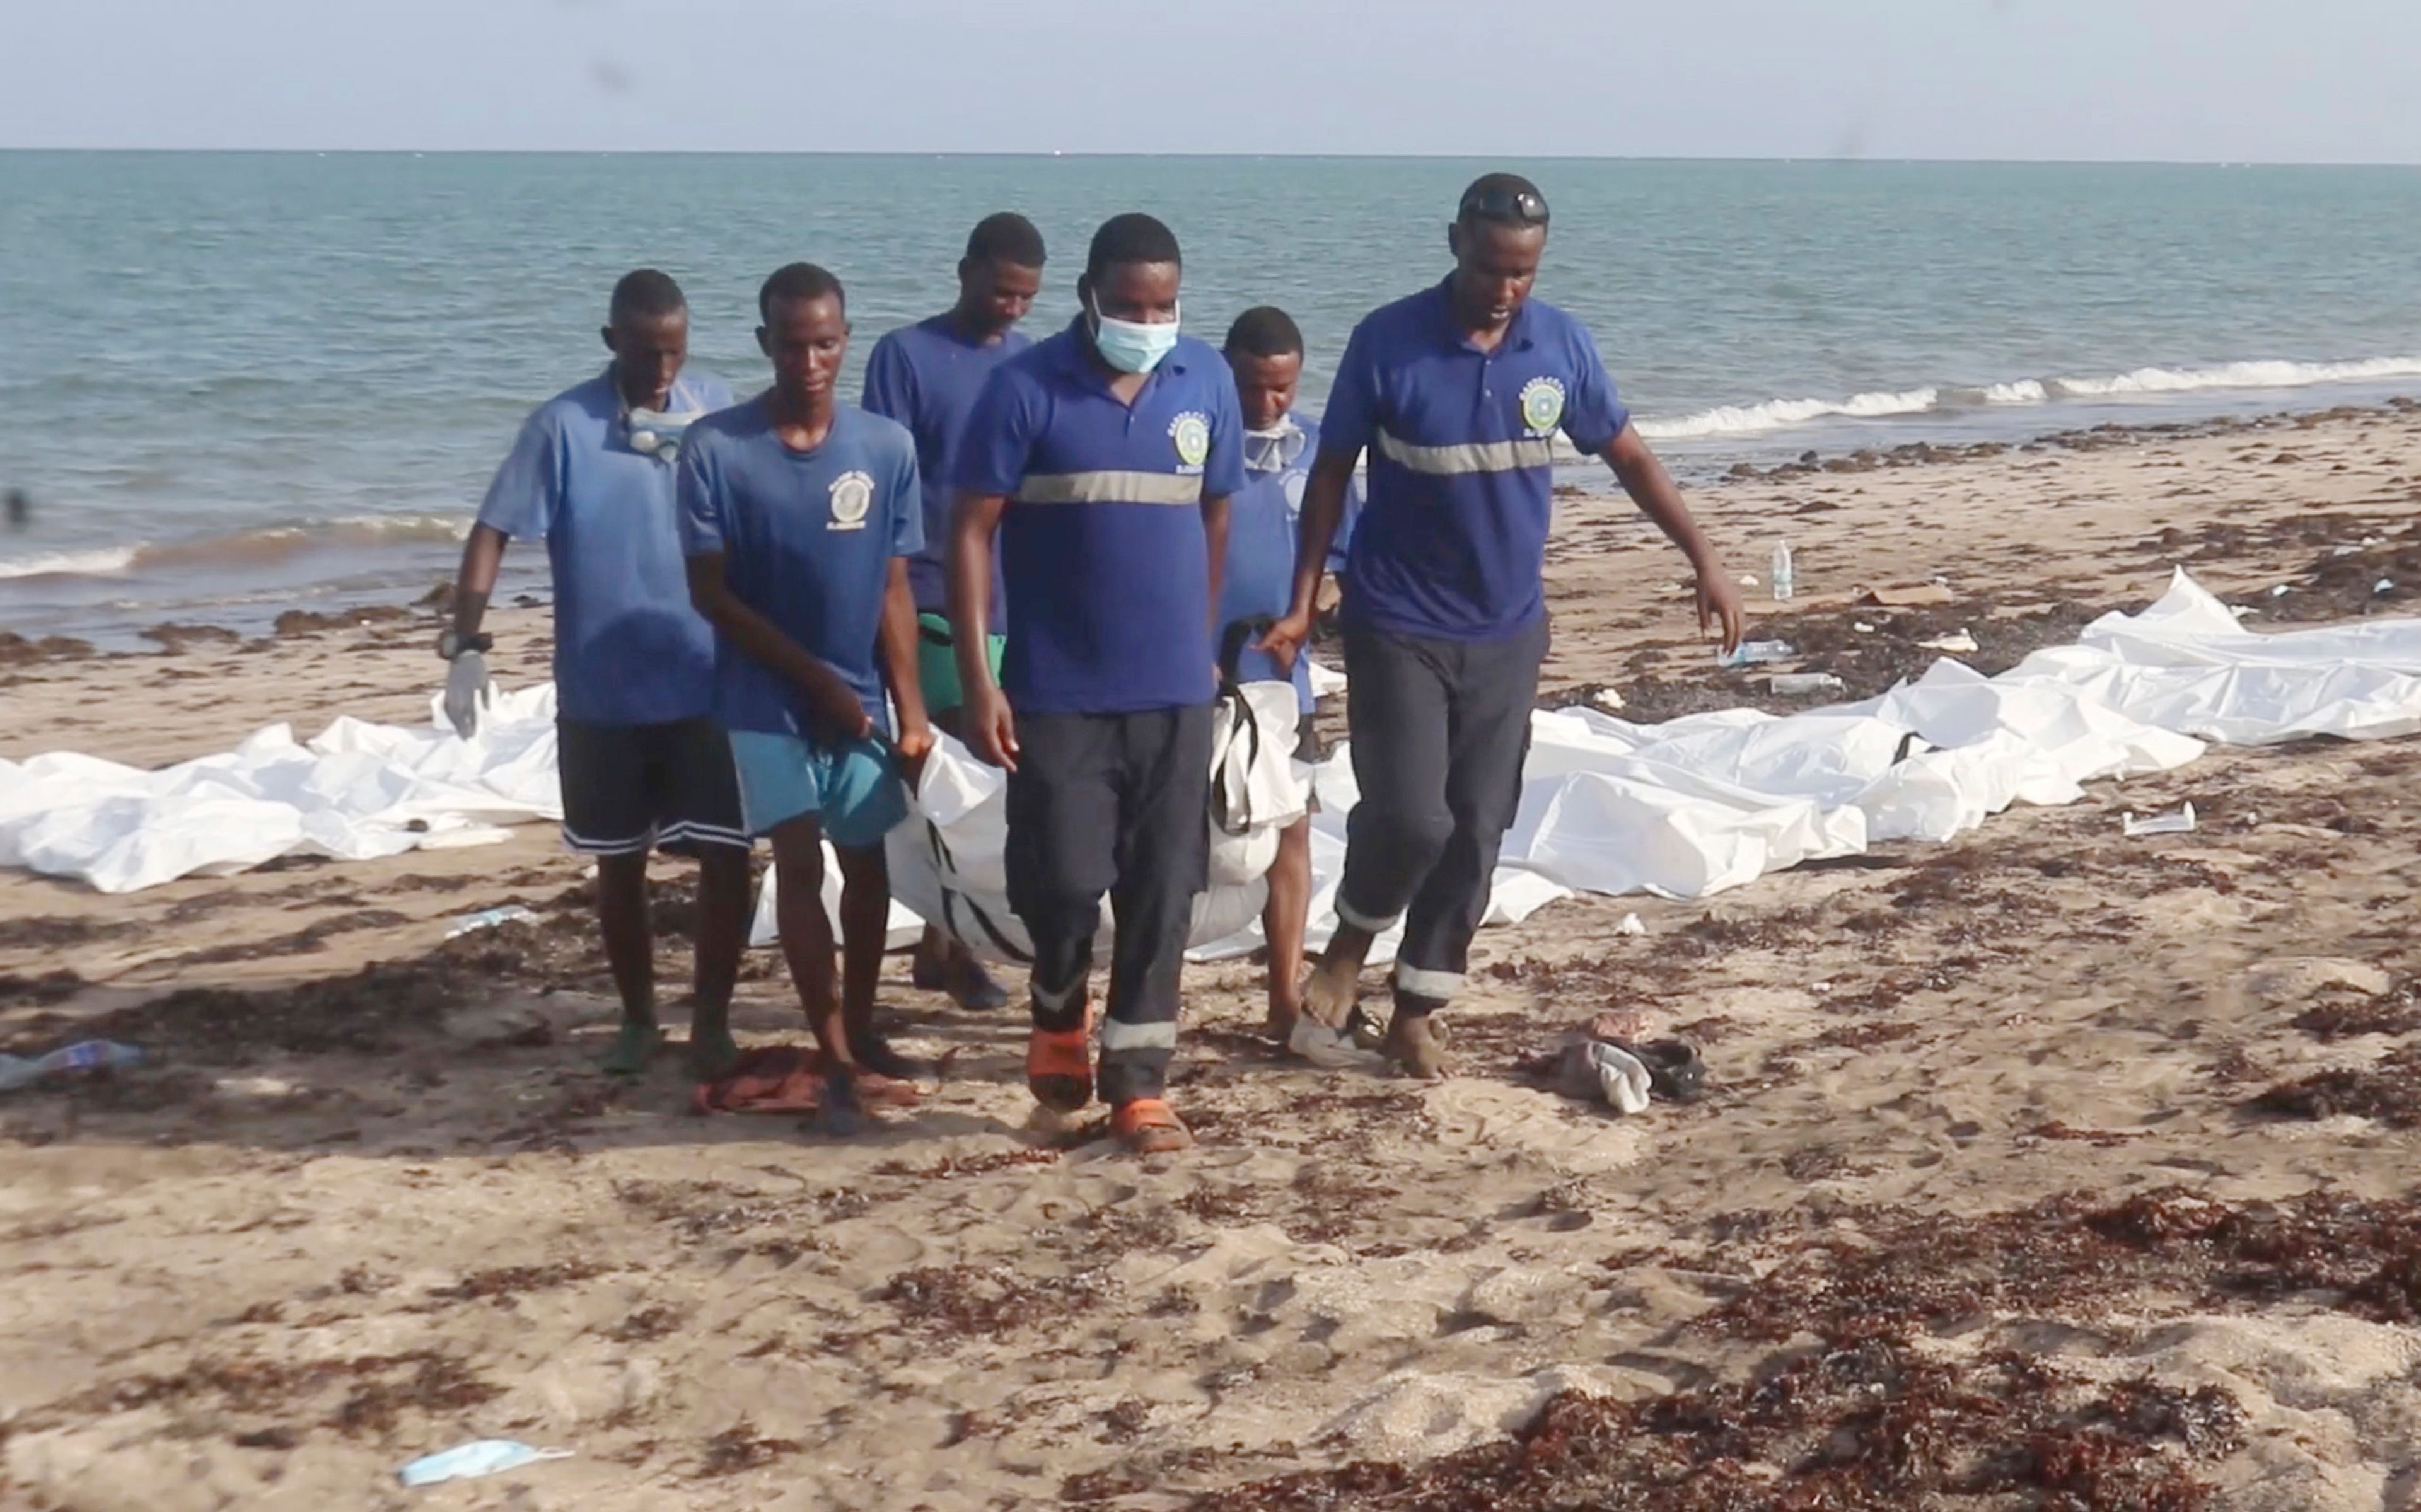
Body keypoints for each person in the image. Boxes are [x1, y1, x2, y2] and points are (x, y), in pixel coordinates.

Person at [1261, 172, 1745, 1078]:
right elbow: (1327, 476)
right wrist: (1301, 598)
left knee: (1478, 825)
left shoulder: (1560, 347)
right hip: (1396, 618)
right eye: (1490, 266)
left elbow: (1628, 454)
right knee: (1411, 815)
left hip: (1505, 629)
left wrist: (1703, 557)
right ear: (1456, 243)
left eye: (1522, 272)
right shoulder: (1386, 342)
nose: (1504, 287)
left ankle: (1417, 1007)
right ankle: (1350, 940)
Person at [948, 212, 1241, 1155]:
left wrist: (1200, 640)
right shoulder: (1023, 389)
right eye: (1128, 306)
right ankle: (1057, 1004)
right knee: (1066, 880)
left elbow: (1217, 512)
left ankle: (1139, 1081)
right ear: (1090, 296)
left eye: (1162, 306)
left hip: (1173, 692)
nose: (1147, 322)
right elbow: (969, 531)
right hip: (1058, 689)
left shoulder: (1208, 381)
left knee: (1165, 888)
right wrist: (978, 673)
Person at [442, 268, 751, 1080]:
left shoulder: (716, 411)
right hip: (603, 689)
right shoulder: (562, 427)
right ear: (612, 340)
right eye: (646, 352)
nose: (661, 371)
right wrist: (466, 642)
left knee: (727, 856)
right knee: (619, 862)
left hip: (707, 680)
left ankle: (712, 1022)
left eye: (675, 352)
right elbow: (492, 530)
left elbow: (772, 517)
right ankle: (640, 1018)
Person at [678, 262, 934, 1136]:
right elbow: (712, 594)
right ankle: (827, 1050)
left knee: (868, 865)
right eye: (792, 344)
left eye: (826, 341)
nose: (810, 359)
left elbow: (896, 587)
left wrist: (911, 708)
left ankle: (858, 1028)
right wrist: (814, 680)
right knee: (797, 861)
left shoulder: (886, 448)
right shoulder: (715, 448)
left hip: (861, 698)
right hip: (764, 697)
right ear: (765, 344)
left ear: (845, 339)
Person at [861, 211, 1047, 1014]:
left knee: (1005, 782)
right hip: (931, 596)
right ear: (965, 271)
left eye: (1025, 298)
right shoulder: (905, 356)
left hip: (1016, 599)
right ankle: (946, 943)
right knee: (936, 775)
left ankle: (951, 942)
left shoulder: (1036, 365)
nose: (1011, 309)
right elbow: (887, 485)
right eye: (1000, 291)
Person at [1217, 306, 1361, 1044]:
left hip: (1283, 674)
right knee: (1176, 835)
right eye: (1252, 388)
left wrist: (1310, 609)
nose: (1268, 404)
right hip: (1198, 670)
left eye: (1281, 389)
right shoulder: (1197, 441)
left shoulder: (1315, 453)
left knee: (1291, 829)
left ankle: (1281, 993)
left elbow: (1342, 563)